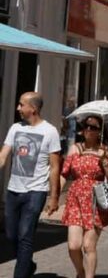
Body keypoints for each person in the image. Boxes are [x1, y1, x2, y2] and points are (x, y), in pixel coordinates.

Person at [0, 92, 61, 278]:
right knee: (11, 235)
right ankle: (28, 264)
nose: (18, 108)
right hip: (13, 190)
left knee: (25, 236)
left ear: (33, 108)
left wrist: (54, 197)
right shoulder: (15, 128)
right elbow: (3, 155)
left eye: (21, 105)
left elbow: (55, 167)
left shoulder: (50, 131)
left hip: (36, 191)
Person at [61, 114, 108, 278]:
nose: (88, 129)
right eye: (86, 126)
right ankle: (80, 272)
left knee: (88, 246)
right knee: (73, 245)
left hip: (96, 201)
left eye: (93, 127)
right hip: (75, 200)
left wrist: (104, 161)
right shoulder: (75, 148)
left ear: (99, 131)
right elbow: (64, 173)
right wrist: (53, 196)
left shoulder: (105, 151)